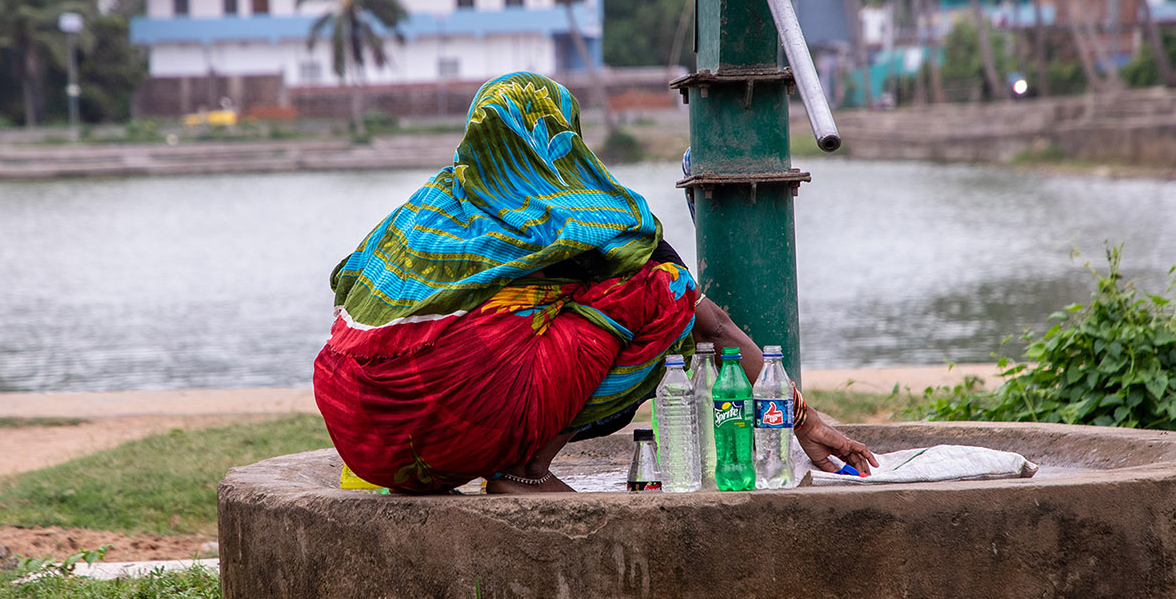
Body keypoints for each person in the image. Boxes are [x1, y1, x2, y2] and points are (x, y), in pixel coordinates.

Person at [313, 72, 876, 494]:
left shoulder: (428, 210)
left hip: (363, 436)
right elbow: (710, 320)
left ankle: (458, 458)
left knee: (511, 323)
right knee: (664, 289)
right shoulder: (588, 215)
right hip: (457, 425)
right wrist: (800, 418)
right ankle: (525, 471)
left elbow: (348, 281)